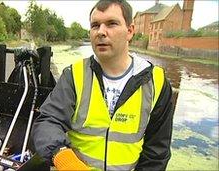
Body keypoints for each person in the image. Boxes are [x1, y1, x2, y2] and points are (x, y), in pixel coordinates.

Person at [32, 0, 174, 170]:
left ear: (130, 31)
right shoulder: (75, 75)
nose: (101, 32)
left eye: (111, 23)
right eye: (95, 25)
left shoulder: (156, 81)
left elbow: (156, 153)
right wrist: (65, 159)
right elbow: (48, 121)